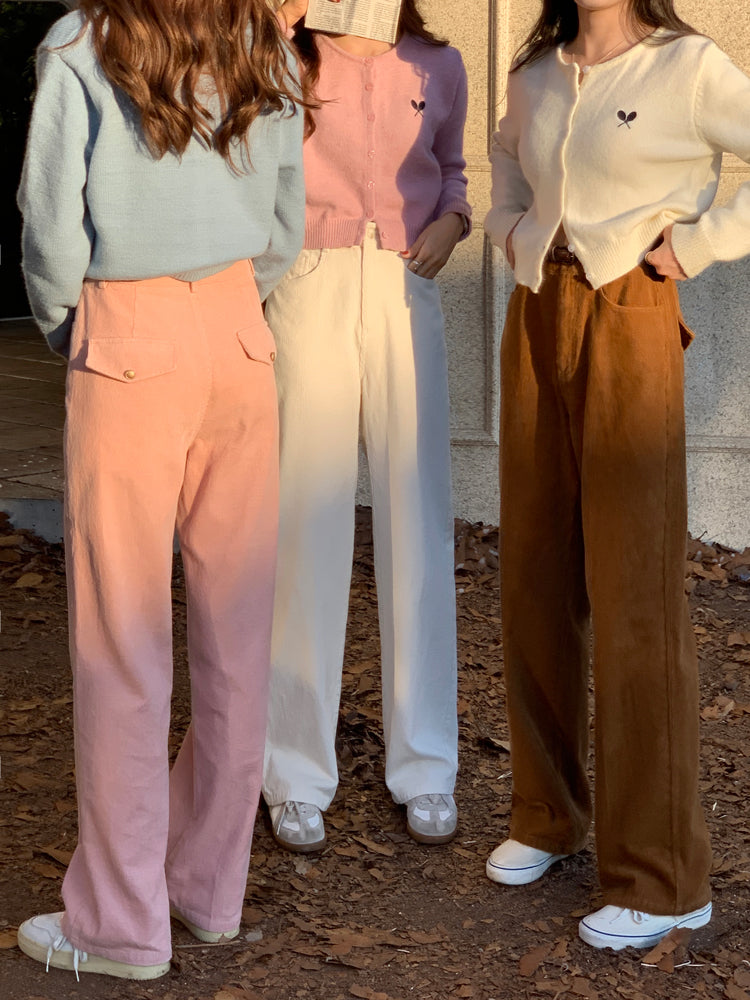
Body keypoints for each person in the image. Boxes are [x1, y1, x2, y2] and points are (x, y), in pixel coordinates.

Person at [15, 0, 304, 979]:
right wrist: (228, 302)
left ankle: (120, 924)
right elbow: (285, 218)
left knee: (121, 640)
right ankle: (207, 890)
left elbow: (50, 226)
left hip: (129, 335)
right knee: (237, 634)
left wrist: (75, 327)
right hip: (238, 333)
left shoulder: (80, 44)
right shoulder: (261, 38)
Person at [484, 0, 750, 952]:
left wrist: (696, 245)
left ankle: (664, 876)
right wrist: (513, 231)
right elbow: (508, 159)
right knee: (535, 577)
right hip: (537, 311)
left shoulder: (687, 66)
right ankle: (547, 816)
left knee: (636, 595)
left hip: (631, 312)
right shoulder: (537, 70)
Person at [262, 0, 471, 852]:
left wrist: (452, 223)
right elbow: (243, 150)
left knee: (419, 521)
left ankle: (427, 764)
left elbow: (452, 171)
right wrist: (272, 29)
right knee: (304, 520)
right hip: (306, 279)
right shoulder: (284, 53)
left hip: (402, 281)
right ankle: (292, 770)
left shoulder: (436, 63)